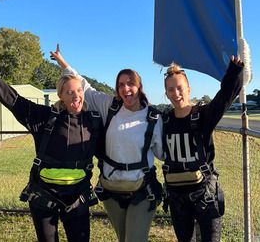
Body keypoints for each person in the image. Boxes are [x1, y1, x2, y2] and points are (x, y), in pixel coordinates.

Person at [0, 49, 104, 242]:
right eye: (69, 92)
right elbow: (13, 99)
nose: (76, 96)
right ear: (61, 95)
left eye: (79, 91)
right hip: (43, 196)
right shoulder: (44, 117)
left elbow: (110, 151)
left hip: (78, 197)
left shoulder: (93, 121)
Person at [50, 47, 163, 242]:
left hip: (142, 189)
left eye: (130, 84)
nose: (126, 89)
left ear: (139, 86)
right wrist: (62, 62)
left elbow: (164, 153)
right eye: (121, 85)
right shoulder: (109, 106)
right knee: (123, 238)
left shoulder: (153, 118)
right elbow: (83, 86)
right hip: (111, 188)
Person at [161, 56, 244, 242]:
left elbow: (225, 97)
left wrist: (234, 71)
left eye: (180, 88)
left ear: (189, 89)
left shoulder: (203, 115)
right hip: (177, 197)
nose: (176, 93)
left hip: (205, 195)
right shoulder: (163, 120)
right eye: (170, 89)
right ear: (166, 94)